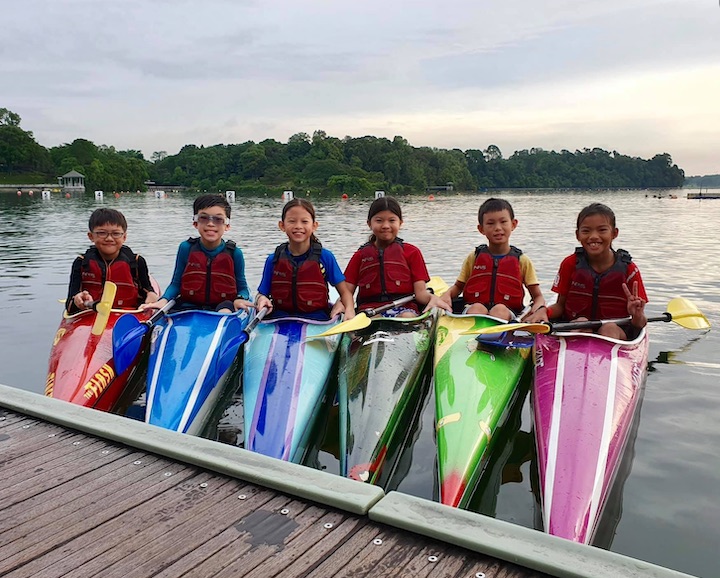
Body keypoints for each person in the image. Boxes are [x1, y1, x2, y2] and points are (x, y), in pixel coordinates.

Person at [549, 202, 647, 340]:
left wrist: (637, 314)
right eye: (586, 231)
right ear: (577, 235)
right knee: (582, 322)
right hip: (578, 327)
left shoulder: (629, 270)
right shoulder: (570, 264)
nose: (594, 236)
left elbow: (640, 324)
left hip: (617, 332)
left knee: (609, 328)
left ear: (614, 233)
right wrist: (543, 311)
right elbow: (560, 306)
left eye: (602, 230)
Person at [440, 198, 548, 322]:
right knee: (477, 308)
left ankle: (495, 337)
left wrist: (539, 308)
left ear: (513, 224)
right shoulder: (474, 257)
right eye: (490, 223)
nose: (498, 228)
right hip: (473, 308)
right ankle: (472, 337)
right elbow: (458, 287)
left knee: (499, 310)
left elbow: (537, 296)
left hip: (508, 313)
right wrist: (447, 295)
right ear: (481, 229)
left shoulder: (522, 261)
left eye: (503, 222)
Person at [343, 196, 450, 318]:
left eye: (392, 221)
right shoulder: (360, 256)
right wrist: (345, 307)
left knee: (407, 316)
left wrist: (432, 298)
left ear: (400, 223)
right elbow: (346, 292)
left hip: (405, 308)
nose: (385, 226)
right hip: (370, 311)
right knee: (374, 320)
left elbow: (420, 293)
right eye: (379, 221)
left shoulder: (412, 252)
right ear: (369, 224)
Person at [145, 194, 252, 313]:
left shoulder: (235, 253)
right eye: (204, 218)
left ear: (227, 226)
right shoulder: (186, 248)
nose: (211, 224)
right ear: (195, 223)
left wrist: (240, 299)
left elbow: (243, 288)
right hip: (188, 305)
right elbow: (176, 284)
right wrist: (163, 300)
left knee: (225, 311)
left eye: (218, 219)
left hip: (223, 306)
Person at [255, 199, 355, 320]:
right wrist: (261, 299)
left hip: (317, 319)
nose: (298, 226)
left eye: (304, 221)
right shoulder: (273, 260)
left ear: (314, 226)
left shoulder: (325, 257)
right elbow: (262, 293)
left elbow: (345, 293)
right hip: (279, 319)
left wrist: (349, 309)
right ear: (282, 225)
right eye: (292, 221)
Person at [66, 208, 158, 313]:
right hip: (91, 315)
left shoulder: (137, 262)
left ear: (124, 237)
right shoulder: (81, 263)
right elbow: (69, 306)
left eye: (116, 233)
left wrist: (151, 296)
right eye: (102, 233)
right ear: (91, 236)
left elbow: (148, 291)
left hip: (128, 316)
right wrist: (77, 300)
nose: (109, 238)